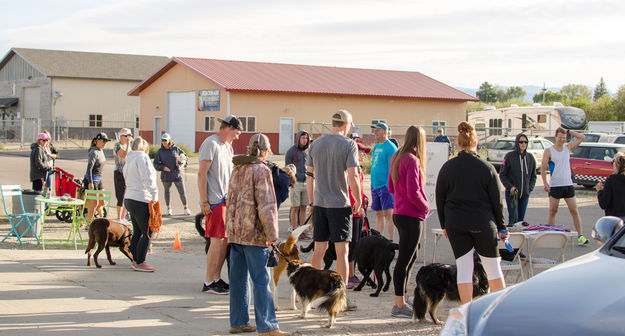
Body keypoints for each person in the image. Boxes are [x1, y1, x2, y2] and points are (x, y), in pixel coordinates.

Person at [436, 121, 508, 304]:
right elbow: (497, 201)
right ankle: (499, 308)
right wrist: (501, 226)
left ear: (458, 144)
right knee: (492, 267)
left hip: (455, 223)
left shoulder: (447, 167)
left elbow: (440, 198)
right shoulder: (487, 168)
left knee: (464, 268)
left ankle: (467, 309)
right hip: (483, 222)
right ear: (476, 144)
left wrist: (444, 224)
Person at [226, 133, 288, 336]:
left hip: (236, 233)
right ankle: (267, 326)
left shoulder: (238, 167)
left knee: (238, 281)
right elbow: (267, 206)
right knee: (261, 281)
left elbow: (231, 201)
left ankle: (238, 321)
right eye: (268, 147)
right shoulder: (262, 170)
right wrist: (272, 234)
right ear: (264, 149)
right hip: (255, 235)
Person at [306, 109, 361, 311]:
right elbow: (353, 175)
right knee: (342, 251)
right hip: (340, 204)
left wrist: (312, 202)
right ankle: (341, 297)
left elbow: (309, 176)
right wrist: (358, 200)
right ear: (346, 125)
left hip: (320, 203)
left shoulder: (316, 144)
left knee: (319, 249)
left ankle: (312, 292)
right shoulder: (349, 145)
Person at [387, 125, 429, 318]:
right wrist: (425, 206)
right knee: (405, 260)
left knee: (411, 257)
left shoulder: (397, 156)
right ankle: (399, 303)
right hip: (411, 215)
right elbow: (414, 192)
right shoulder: (412, 160)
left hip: (400, 212)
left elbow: (391, 187)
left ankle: (403, 298)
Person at [198, 115, 242, 295]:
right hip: (214, 201)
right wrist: (204, 201)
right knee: (216, 242)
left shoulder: (228, 147)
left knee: (223, 241)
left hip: (226, 200)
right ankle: (209, 281)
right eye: (237, 132)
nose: (238, 137)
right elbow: (202, 174)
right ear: (228, 128)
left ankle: (216, 278)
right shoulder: (211, 144)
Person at [540, 128, 588, 245]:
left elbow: (582, 137)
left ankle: (580, 235)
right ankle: (551, 235)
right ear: (555, 137)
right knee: (553, 210)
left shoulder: (568, 147)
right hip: (555, 185)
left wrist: (570, 131)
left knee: (574, 210)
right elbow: (543, 168)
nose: (562, 140)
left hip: (568, 184)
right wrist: (545, 183)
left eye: (564, 137)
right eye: (560, 137)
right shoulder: (549, 151)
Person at [123, 137, 159, 272]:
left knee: (137, 231)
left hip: (130, 197)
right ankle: (140, 261)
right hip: (141, 198)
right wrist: (154, 197)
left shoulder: (129, 160)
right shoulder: (143, 158)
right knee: (149, 231)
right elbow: (148, 178)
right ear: (146, 149)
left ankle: (135, 258)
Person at [499, 133, 537, 226]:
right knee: (514, 220)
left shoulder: (530, 158)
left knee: (521, 222)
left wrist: (529, 189)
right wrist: (510, 187)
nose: (523, 144)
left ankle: (521, 239)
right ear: (517, 143)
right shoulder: (509, 156)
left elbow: (533, 176)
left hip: (525, 194)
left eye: (525, 142)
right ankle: (511, 238)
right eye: (521, 142)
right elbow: (502, 175)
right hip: (513, 194)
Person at [346, 141, 370, 289]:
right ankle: (347, 274)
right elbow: (350, 190)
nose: (364, 154)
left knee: (356, 244)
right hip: (353, 211)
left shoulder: (359, 169)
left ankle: (352, 273)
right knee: (350, 243)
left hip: (359, 211)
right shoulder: (351, 169)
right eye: (362, 152)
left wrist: (363, 198)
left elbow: (359, 189)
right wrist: (357, 205)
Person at [370, 122, 398, 241]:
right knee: (378, 213)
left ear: (385, 132)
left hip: (385, 187)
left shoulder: (391, 147)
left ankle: (390, 240)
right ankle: (379, 238)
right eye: (374, 130)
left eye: (378, 130)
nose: (375, 132)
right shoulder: (376, 146)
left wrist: (388, 186)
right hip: (375, 185)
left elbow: (393, 169)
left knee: (388, 215)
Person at [154, 133, 191, 216]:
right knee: (167, 192)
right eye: (162, 140)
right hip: (166, 176)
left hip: (177, 175)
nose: (164, 142)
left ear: (169, 140)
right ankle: (169, 208)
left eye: (165, 140)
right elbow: (156, 164)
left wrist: (182, 164)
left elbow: (185, 157)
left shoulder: (176, 149)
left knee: (182, 191)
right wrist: (163, 168)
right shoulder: (160, 152)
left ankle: (186, 208)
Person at [285, 130, 311, 236]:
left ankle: (302, 230)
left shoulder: (308, 151)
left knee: (304, 207)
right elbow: (288, 168)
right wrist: (291, 181)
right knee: (295, 207)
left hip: (306, 183)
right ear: (298, 138)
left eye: (306, 138)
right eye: (303, 138)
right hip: (296, 183)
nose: (305, 140)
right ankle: (294, 230)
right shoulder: (291, 151)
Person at [84, 132, 111, 221]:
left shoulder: (100, 151)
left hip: (99, 179)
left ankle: (88, 214)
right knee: (94, 203)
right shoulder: (93, 152)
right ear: (97, 141)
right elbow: (89, 168)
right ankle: (88, 223)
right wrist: (90, 182)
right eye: (103, 141)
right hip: (92, 179)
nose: (104, 143)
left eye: (106, 142)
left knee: (102, 201)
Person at [596, 151, 625, 219]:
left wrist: (600, 191)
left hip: (614, 219)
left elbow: (604, 204)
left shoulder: (611, 180)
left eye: (613, 162)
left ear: (617, 165)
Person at [114, 128, 132, 223]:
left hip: (128, 173)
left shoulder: (130, 146)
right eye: (126, 136)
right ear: (121, 136)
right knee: (120, 195)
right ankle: (119, 217)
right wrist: (128, 144)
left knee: (127, 194)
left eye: (129, 136)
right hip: (119, 172)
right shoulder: (117, 145)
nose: (127, 138)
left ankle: (123, 216)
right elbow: (125, 155)